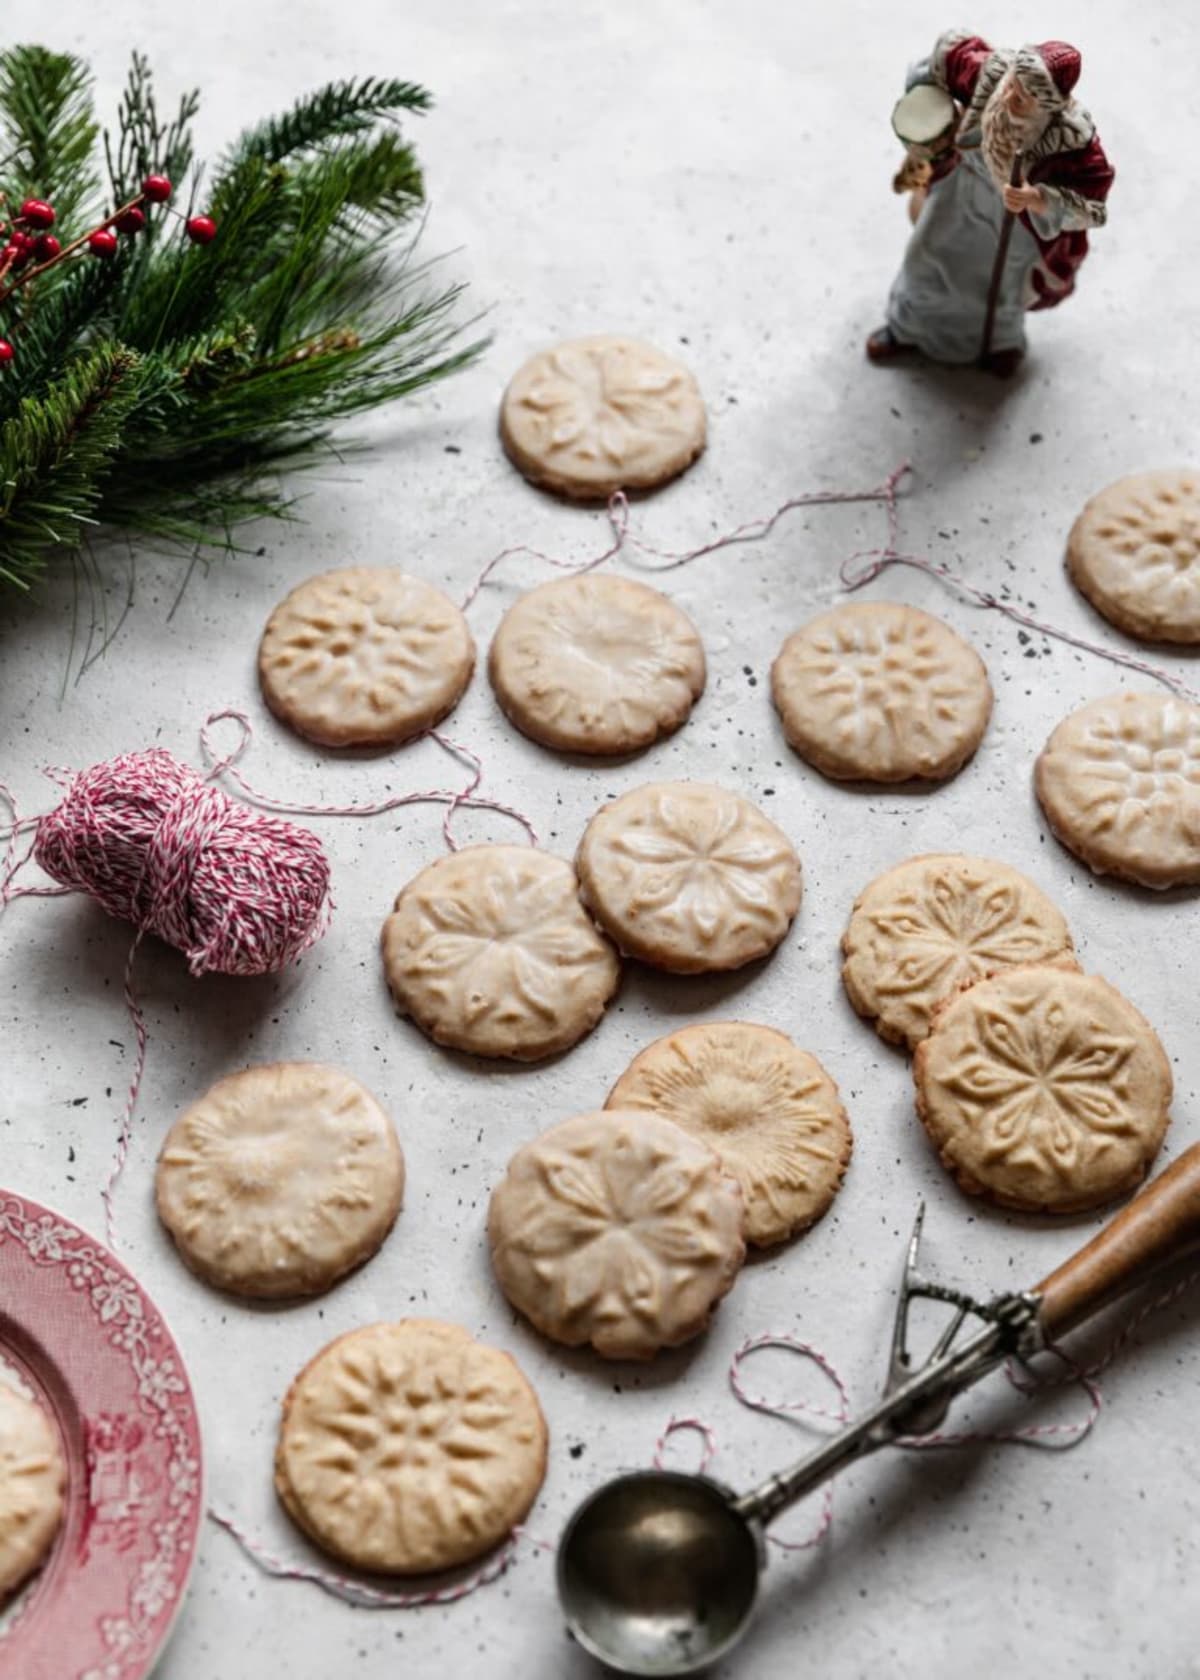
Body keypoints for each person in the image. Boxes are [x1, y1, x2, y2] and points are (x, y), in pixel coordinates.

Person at [867, 33, 1114, 377]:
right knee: (927, 259)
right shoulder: (988, 75)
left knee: (997, 291)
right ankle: (906, 328)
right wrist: (925, 104)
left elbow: (1093, 209)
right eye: (1015, 84)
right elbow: (943, 57)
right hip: (959, 195)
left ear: (1049, 105)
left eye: (1026, 98)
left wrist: (1039, 198)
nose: (1012, 96)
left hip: (1014, 226)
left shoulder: (1072, 144)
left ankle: (998, 345)